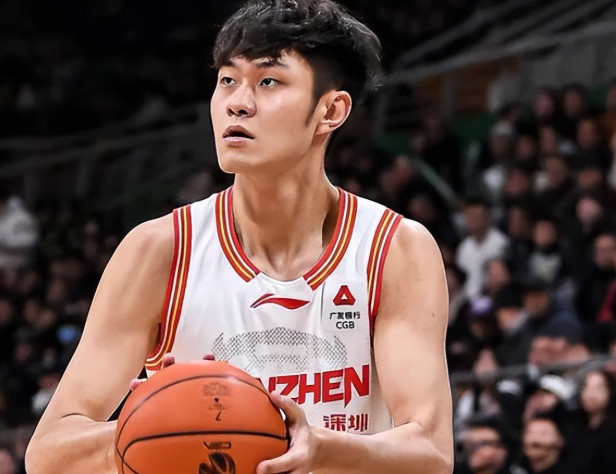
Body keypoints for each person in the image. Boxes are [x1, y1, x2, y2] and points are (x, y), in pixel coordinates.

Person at [26, 1, 454, 473]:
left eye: (268, 81)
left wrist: (319, 447)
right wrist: (164, 420)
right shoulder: (160, 251)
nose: (238, 102)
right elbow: (49, 454)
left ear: (330, 110)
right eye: (228, 80)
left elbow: (432, 454)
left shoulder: (393, 249)